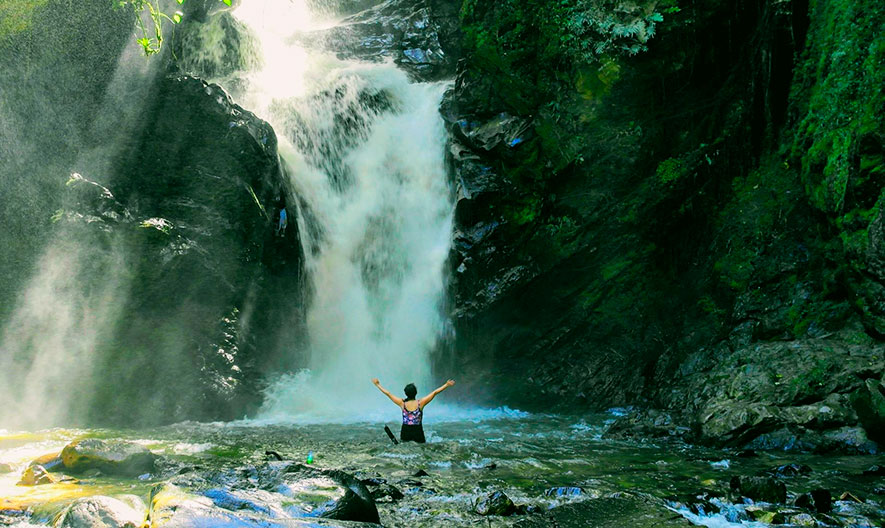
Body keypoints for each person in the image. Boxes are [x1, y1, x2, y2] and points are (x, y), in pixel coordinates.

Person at [372, 378, 455, 443]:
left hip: (405, 431)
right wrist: (446, 385)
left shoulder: (402, 403)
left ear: (406, 393)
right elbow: (435, 392)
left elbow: (388, 394)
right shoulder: (421, 403)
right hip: (418, 431)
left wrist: (378, 385)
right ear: (416, 393)